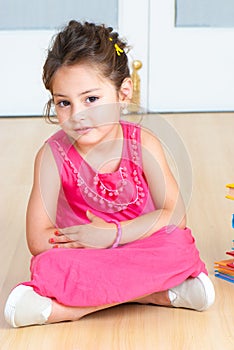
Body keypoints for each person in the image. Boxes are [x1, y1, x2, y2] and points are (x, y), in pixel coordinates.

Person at [4, 20, 215, 328]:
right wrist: (89, 241)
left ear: (123, 92)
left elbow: (174, 215)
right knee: (48, 265)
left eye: (91, 99)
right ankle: (157, 293)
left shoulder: (143, 144)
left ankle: (70, 310)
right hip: (86, 254)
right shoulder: (52, 156)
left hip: (139, 243)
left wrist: (113, 235)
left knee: (178, 244)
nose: (78, 116)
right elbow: (38, 238)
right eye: (64, 103)